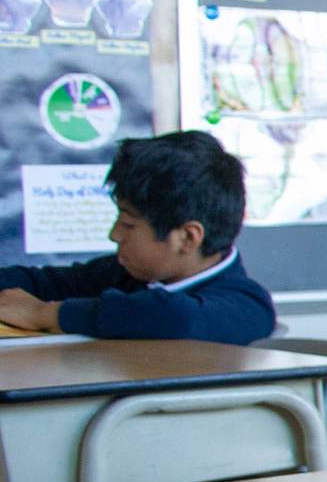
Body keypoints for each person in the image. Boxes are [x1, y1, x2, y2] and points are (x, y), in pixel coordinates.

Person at [0, 131, 274, 345]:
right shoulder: (128, 274)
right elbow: (46, 283)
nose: (114, 234)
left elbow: (172, 316)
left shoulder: (245, 305)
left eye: (128, 224)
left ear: (187, 238)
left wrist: (44, 314)